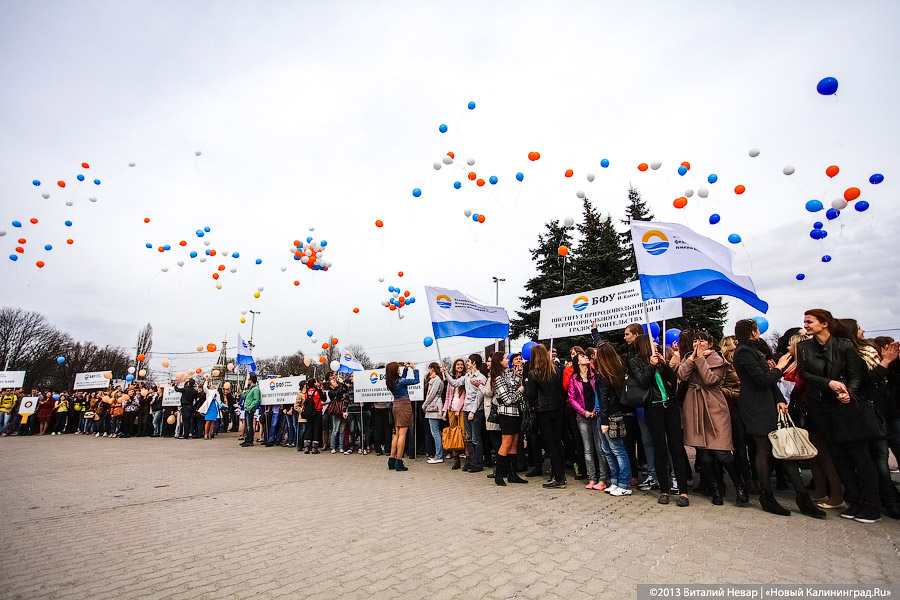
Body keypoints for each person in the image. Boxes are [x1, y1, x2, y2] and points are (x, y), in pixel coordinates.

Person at [733, 319, 825, 518]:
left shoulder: (754, 350)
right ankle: (767, 497)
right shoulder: (743, 352)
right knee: (765, 449)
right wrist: (780, 367)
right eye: (756, 330)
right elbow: (762, 380)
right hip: (755, 406)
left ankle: (802, 497)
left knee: (783, 449)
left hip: (768, 403)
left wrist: (780, 399)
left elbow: (769, 381)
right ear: (752, 332)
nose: (759, 333)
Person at [799, 309, 882, 524]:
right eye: (805, 321)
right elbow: (804, 373)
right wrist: (829, 383)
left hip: (847, 407)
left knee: (859, 455)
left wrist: (848, 393)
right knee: (837, 455)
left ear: (824, 323)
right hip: (820, 406)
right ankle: (854, 500)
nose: (805, 325)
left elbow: (856, 375)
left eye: (809, 321)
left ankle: (871, 505)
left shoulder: (845, 346)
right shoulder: (804, 347)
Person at [677, 331, 746, 506]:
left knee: (722, 451)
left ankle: (740, 487)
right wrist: (691, 359)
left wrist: (700, 359)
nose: (698, 344)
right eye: (695, 341)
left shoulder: (719, 360)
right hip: (694, 405)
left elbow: (710, 380)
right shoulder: (688, 357)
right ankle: (715, 490)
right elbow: (682, 376)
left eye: (702, 341)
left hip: (714, 405)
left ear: (710, 344)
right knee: (704, 453)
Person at [525, 344, 567, 489]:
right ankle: (560, 473)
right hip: (557, 408)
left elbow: (531, 396)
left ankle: (558, 477)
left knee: (550, 443)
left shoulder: (533, 374)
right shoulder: (555, 370)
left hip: (543, 411)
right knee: (558, 441)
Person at [567, 348, 609, 490]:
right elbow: (572, 398)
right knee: (587, 448)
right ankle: (591, 478)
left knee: (600, 448)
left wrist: (596, 410)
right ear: (577, 362)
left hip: (597, 415)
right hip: (583, 416)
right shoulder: (574, 378)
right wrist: (583, 412)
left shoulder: (595, 375)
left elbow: (600, 394)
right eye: (582, 356)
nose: (586, 358)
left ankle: (602, 478)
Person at [488, 352, 527, 486]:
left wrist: (518, 374)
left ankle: (512, 473)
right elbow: (508, 399)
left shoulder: (508, 374)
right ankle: (499, 474)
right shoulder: (498, 378)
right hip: (506, 414)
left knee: (514, 444)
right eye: (505, 358)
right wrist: (520, 391)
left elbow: (515, 385)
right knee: (506, 443)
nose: (508, 360)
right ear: (499, 362)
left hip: (516, 413)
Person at [445, 355, 488, 473]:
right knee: (468, 438)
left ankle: (477, 464)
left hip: (476, 411)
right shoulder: (467, 376)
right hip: (466, 409)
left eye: (468, 361)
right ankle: (471, 462)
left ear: (474, 363)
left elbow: (479, 397)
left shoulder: (481, 378)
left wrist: (473, 411)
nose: (466, 363)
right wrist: (446, 373)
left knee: (475, 438)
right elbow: (455, 383)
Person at [385, 361, 419, 471]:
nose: (399, 369)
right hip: (404, 406)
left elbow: (402, 378)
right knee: (402, 434)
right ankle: (399, 461)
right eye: (398, 368)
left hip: (396, 405)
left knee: (396, 433)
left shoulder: (392, 381)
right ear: (395, 370)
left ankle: (392, 459)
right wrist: (414, 369)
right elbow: (416, 380)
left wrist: (405, 369)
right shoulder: (401, 381)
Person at [441, 359, 467, 469]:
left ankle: (467, 458)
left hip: (461, 409)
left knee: (463, 434)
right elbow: (447, 397)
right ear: (455, 366)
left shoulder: (465, 379)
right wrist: (444, 411)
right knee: (453, 434)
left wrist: (458, 409)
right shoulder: (450, 380)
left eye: (461, 364)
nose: (460, 366)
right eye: (458, 364)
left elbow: (464, 396)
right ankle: (456, 460)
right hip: (451, 409)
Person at [423, 363, 445, 464]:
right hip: (433, 406)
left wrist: (424, 404)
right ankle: (438, 454)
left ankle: (438, 455)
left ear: (432, 369)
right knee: (435, 432)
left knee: (435, 432)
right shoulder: (435, 379)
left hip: (433, 407)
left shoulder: (436, 379)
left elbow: (431, 394)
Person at [302, 378, 324, 453]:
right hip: (317, 411)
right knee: (316, 428)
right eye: (316, 382)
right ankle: (315, 447)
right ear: (314, 383)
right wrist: (322, 392)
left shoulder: (307, 391)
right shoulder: (318, 391)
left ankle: (307, 447)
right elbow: (323, 399)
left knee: (309, 428)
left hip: (309, 411)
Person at [240, 374, 260, 447]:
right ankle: (247, 440)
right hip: (247, 409)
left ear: (251, 380)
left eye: (248, 380)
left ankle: (250, 440)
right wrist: (240, 391)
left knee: (249, 425)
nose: (248, 381)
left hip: (250, 409)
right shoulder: (250, 389)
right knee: (246, 426)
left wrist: (250, 407)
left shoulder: (255, 389)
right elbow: (244, 396)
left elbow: (256, 399)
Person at [294, 383, 308, 453]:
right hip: (302, 416)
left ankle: (306, 445)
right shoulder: (300, 394)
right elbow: (296, 405)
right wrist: (301, 410)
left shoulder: (308, 393)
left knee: (307, 430)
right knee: (302, 430)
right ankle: (299, 445)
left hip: (309, 415)